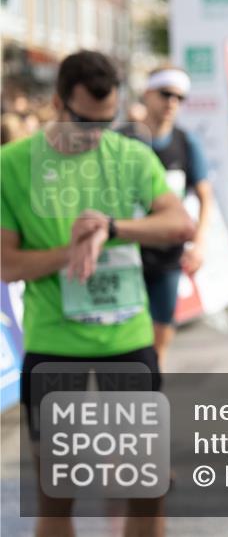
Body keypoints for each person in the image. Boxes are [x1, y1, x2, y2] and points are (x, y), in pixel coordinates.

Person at [0, 50, 194, 537]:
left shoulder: (128, 154)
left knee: (146, 493)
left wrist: (113, 227)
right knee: (57, 499)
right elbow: (5, 264)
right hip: (54, 347)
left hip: (126, 341)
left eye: (104, 123)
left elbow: (179, 223)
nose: (94, 135)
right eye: (84, 122)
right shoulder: (12, 164)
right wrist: (69, 252)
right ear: (58, 103)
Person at [120, 65, 213, 363]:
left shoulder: (186, 143)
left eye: (179, 97)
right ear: (147, 94)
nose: (172, 102)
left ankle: (151, 381)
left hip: (167, 253)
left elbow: (205, 196)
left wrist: (199, 244)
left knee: (161, 330)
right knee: (127, 334)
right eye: (165, 94)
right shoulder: (121, 140)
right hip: (124, 251)